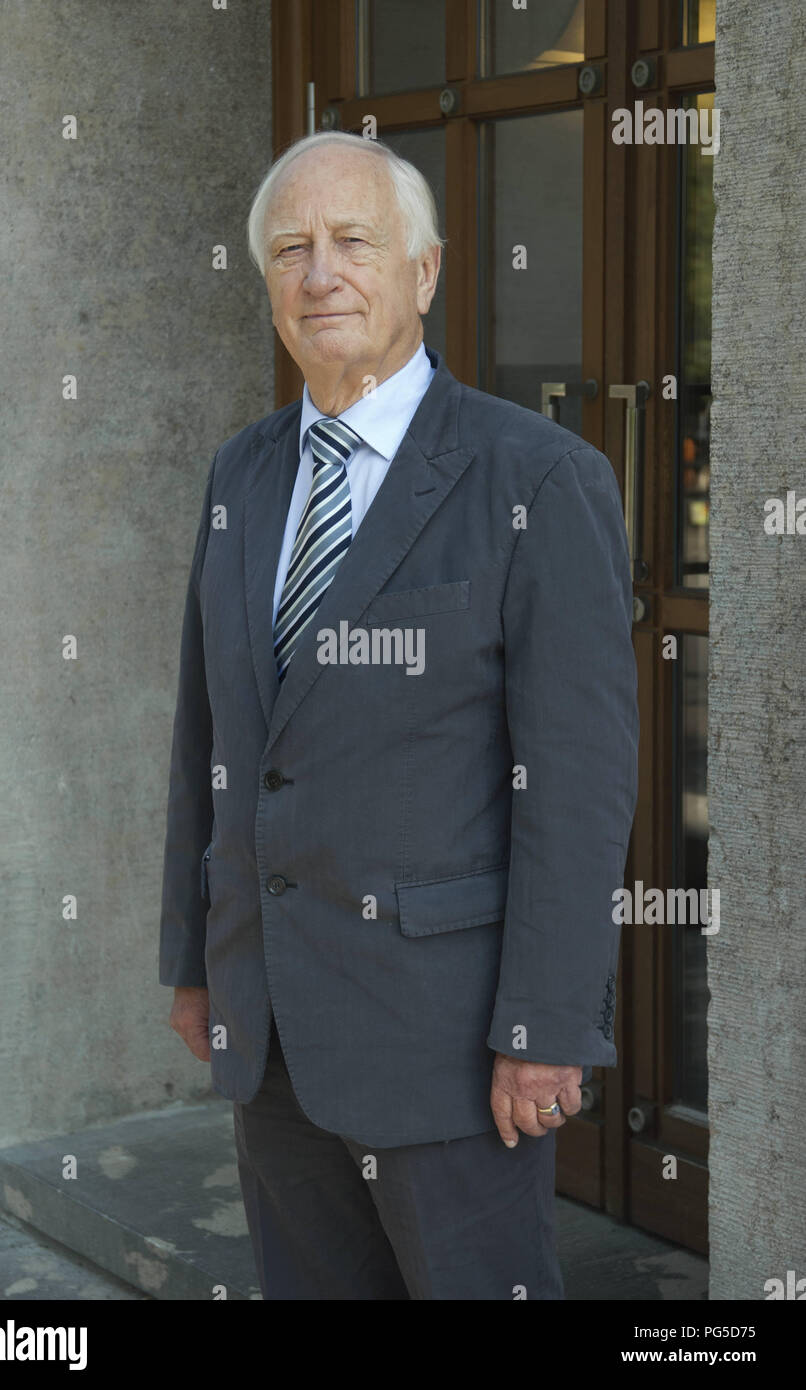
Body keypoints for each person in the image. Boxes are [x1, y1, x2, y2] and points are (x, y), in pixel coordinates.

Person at [159, 130, 639, 1300]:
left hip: (450, 1043)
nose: (321, 272)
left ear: (423, 275)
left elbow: (577, 781)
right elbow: (206, 735)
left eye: (353, 242)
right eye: (292, 249)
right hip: (267, 1021)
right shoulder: (241, 473)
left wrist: (547, 1022)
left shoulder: (535, 478)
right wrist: (193, 955)